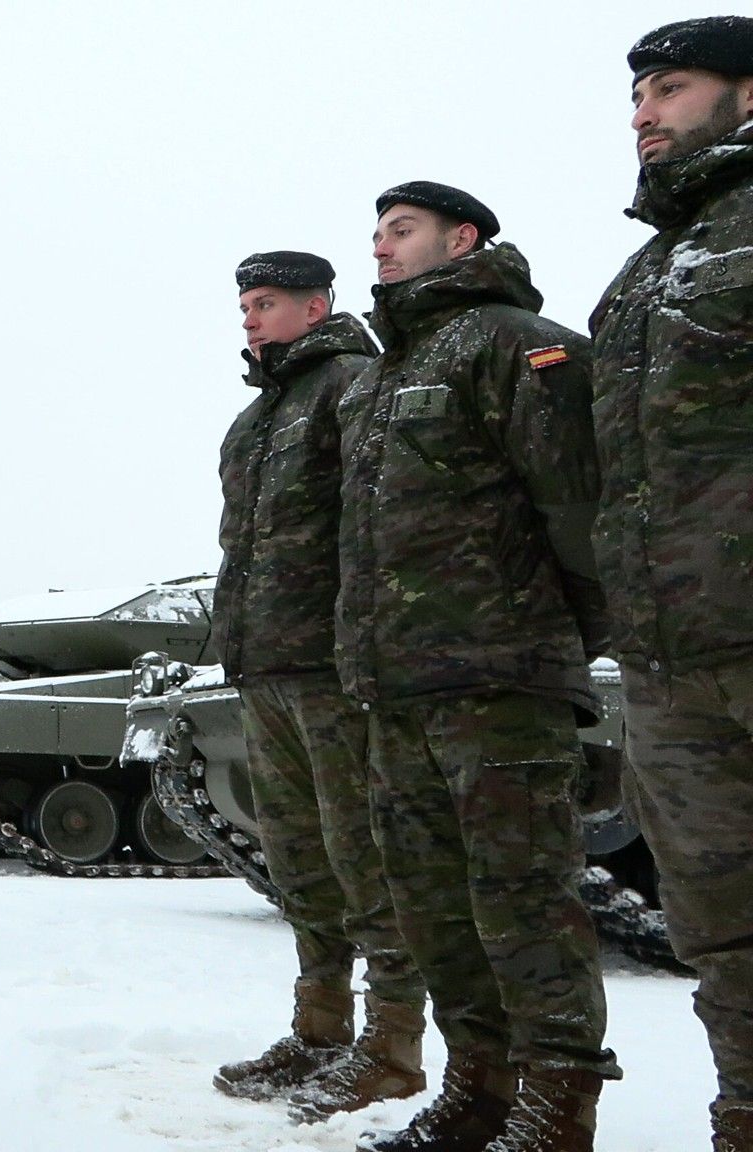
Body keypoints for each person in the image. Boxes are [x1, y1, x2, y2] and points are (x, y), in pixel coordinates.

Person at [338, 182, 617, 1152]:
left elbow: (579, 516)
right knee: (431, 905)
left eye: (398, 230)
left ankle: (556, 1100)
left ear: (459, 239)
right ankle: (480, 1086)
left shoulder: (514, 343)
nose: (378, 247)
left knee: (521, 897)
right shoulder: (380, 376)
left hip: (500, 680)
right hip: (397, 686)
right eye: (373, 233)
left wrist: (546, 640)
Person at [206, 252, 428, 1122]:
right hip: (266, 667)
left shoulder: (355, 385)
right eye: (246, 306)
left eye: (267, 304)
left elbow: (380, 524)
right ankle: (320, 1030)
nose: (251, 319)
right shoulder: (253, 421)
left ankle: (393, 1046)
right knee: (301, 863)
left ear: (318, 306)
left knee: (362, 858)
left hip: (336, 672)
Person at [590, 18, 753, 1151]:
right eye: (637, 92)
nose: (643, 109)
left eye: (670, 86)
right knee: (715, 922)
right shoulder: (640, 275)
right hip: (666, 656)